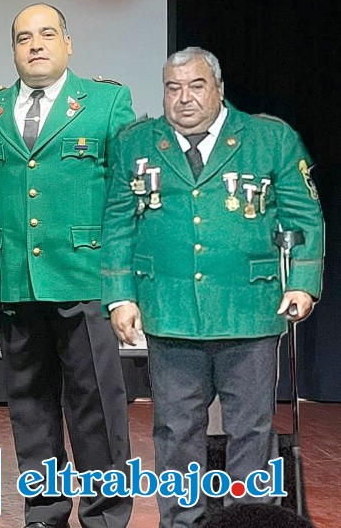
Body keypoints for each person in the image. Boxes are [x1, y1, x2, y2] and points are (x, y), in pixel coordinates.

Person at [102, 47, 324, 527]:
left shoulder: (269, 139)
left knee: (252, 430)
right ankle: (183, 523)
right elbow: (117, 224)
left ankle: (247, 521)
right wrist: (121, 295)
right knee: (175, 430)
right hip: (171, 312)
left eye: (196, 86)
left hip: (250, 310)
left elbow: (304, 217)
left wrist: (303, 283)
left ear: (219, 88)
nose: (183, 98)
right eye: (172, 87)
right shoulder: (135, 143)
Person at [0, 3, 135, 528]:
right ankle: (45, 510)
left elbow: (128, 198)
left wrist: (125, 281)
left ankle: (105, 515)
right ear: (13, 49)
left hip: (86, 280)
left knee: (97, 409)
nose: (35, 44)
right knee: (30, 409)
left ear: (68, 43)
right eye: (23, 37)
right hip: (16, 284)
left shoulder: (106, 102)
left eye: (47, 34)